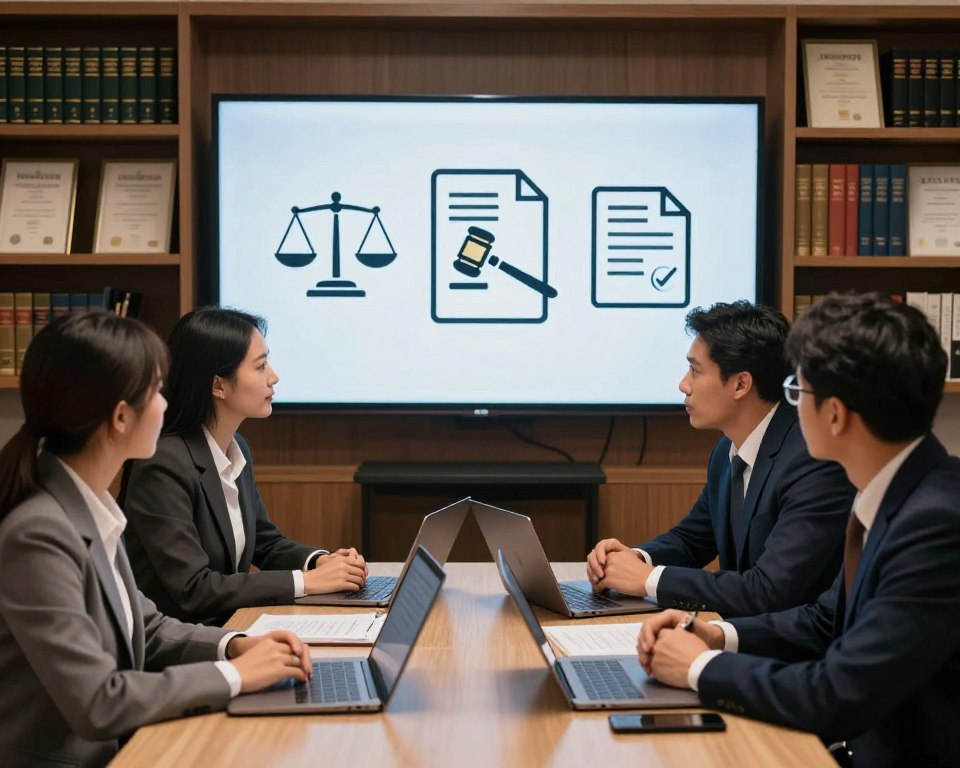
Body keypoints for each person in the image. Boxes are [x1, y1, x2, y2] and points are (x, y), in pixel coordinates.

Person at [639, 293, 960, 768]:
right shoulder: (901, 493)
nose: (790, 407)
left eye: (798, 391)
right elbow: (823, 621)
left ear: (834, 414)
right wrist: (714, 635)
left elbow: (838, 693)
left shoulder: (936, 523)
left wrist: (698, 667)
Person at [0, 312, 314, 768]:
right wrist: (232, 675)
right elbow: (98, 702)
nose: (166, 406)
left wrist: (234, 644)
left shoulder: (89, 507)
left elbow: (147, 626)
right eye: (156, 393)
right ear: (122, 417)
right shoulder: (39, 532)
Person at [587, 301, 855, 616]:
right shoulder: (727, 450)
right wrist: (635, 558)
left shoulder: (812, 461)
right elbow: (691, 540)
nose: (683, 385)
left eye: (695, 370)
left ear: (741, 384)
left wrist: (649, 580)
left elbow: (768, 590)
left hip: (790, 653)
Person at [120, 308, 366, 626]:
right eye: (261, 366)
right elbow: (193, 588)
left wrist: (321, 562)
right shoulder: (162, 464)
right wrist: (307, 583)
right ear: (218, 386)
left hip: (231, 626)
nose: (273, 376)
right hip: (178, 648)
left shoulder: (237, 448)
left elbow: (266, 543)